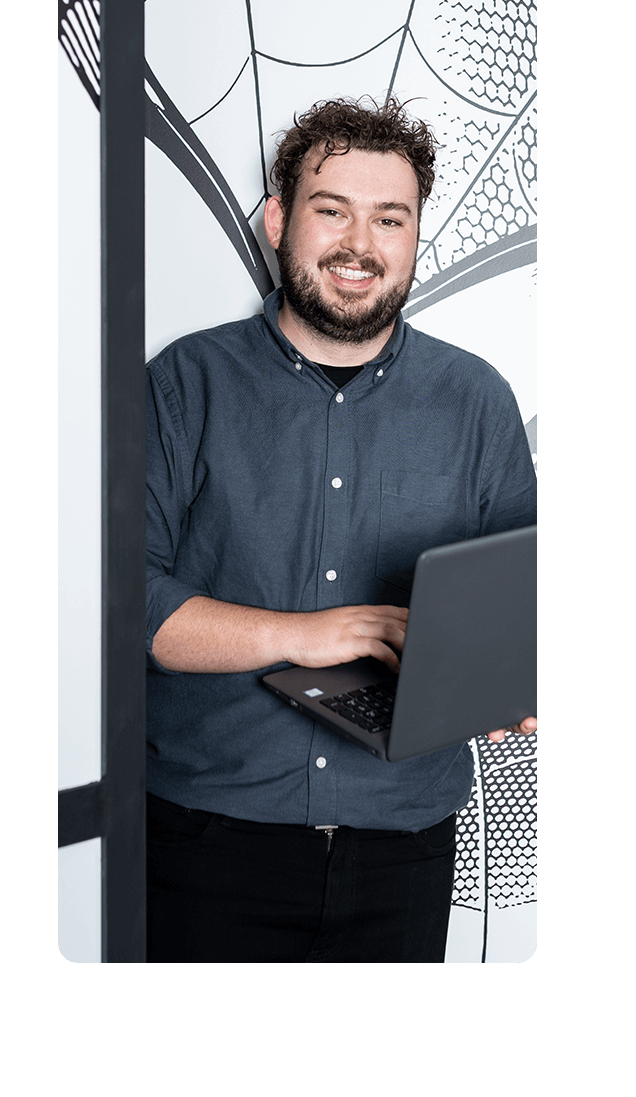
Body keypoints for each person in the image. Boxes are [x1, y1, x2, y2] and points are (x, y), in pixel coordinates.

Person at [145, 96, 537, 963]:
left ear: (413, 235)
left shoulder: (477, 400)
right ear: (279, 220)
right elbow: (128, 602)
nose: (360, 244)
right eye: (333, 210)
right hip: (205, 842)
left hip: (407, 845)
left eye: (389, 219)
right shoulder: (184, 383)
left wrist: (512, 682)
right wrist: (317, 635)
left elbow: (522, 598)